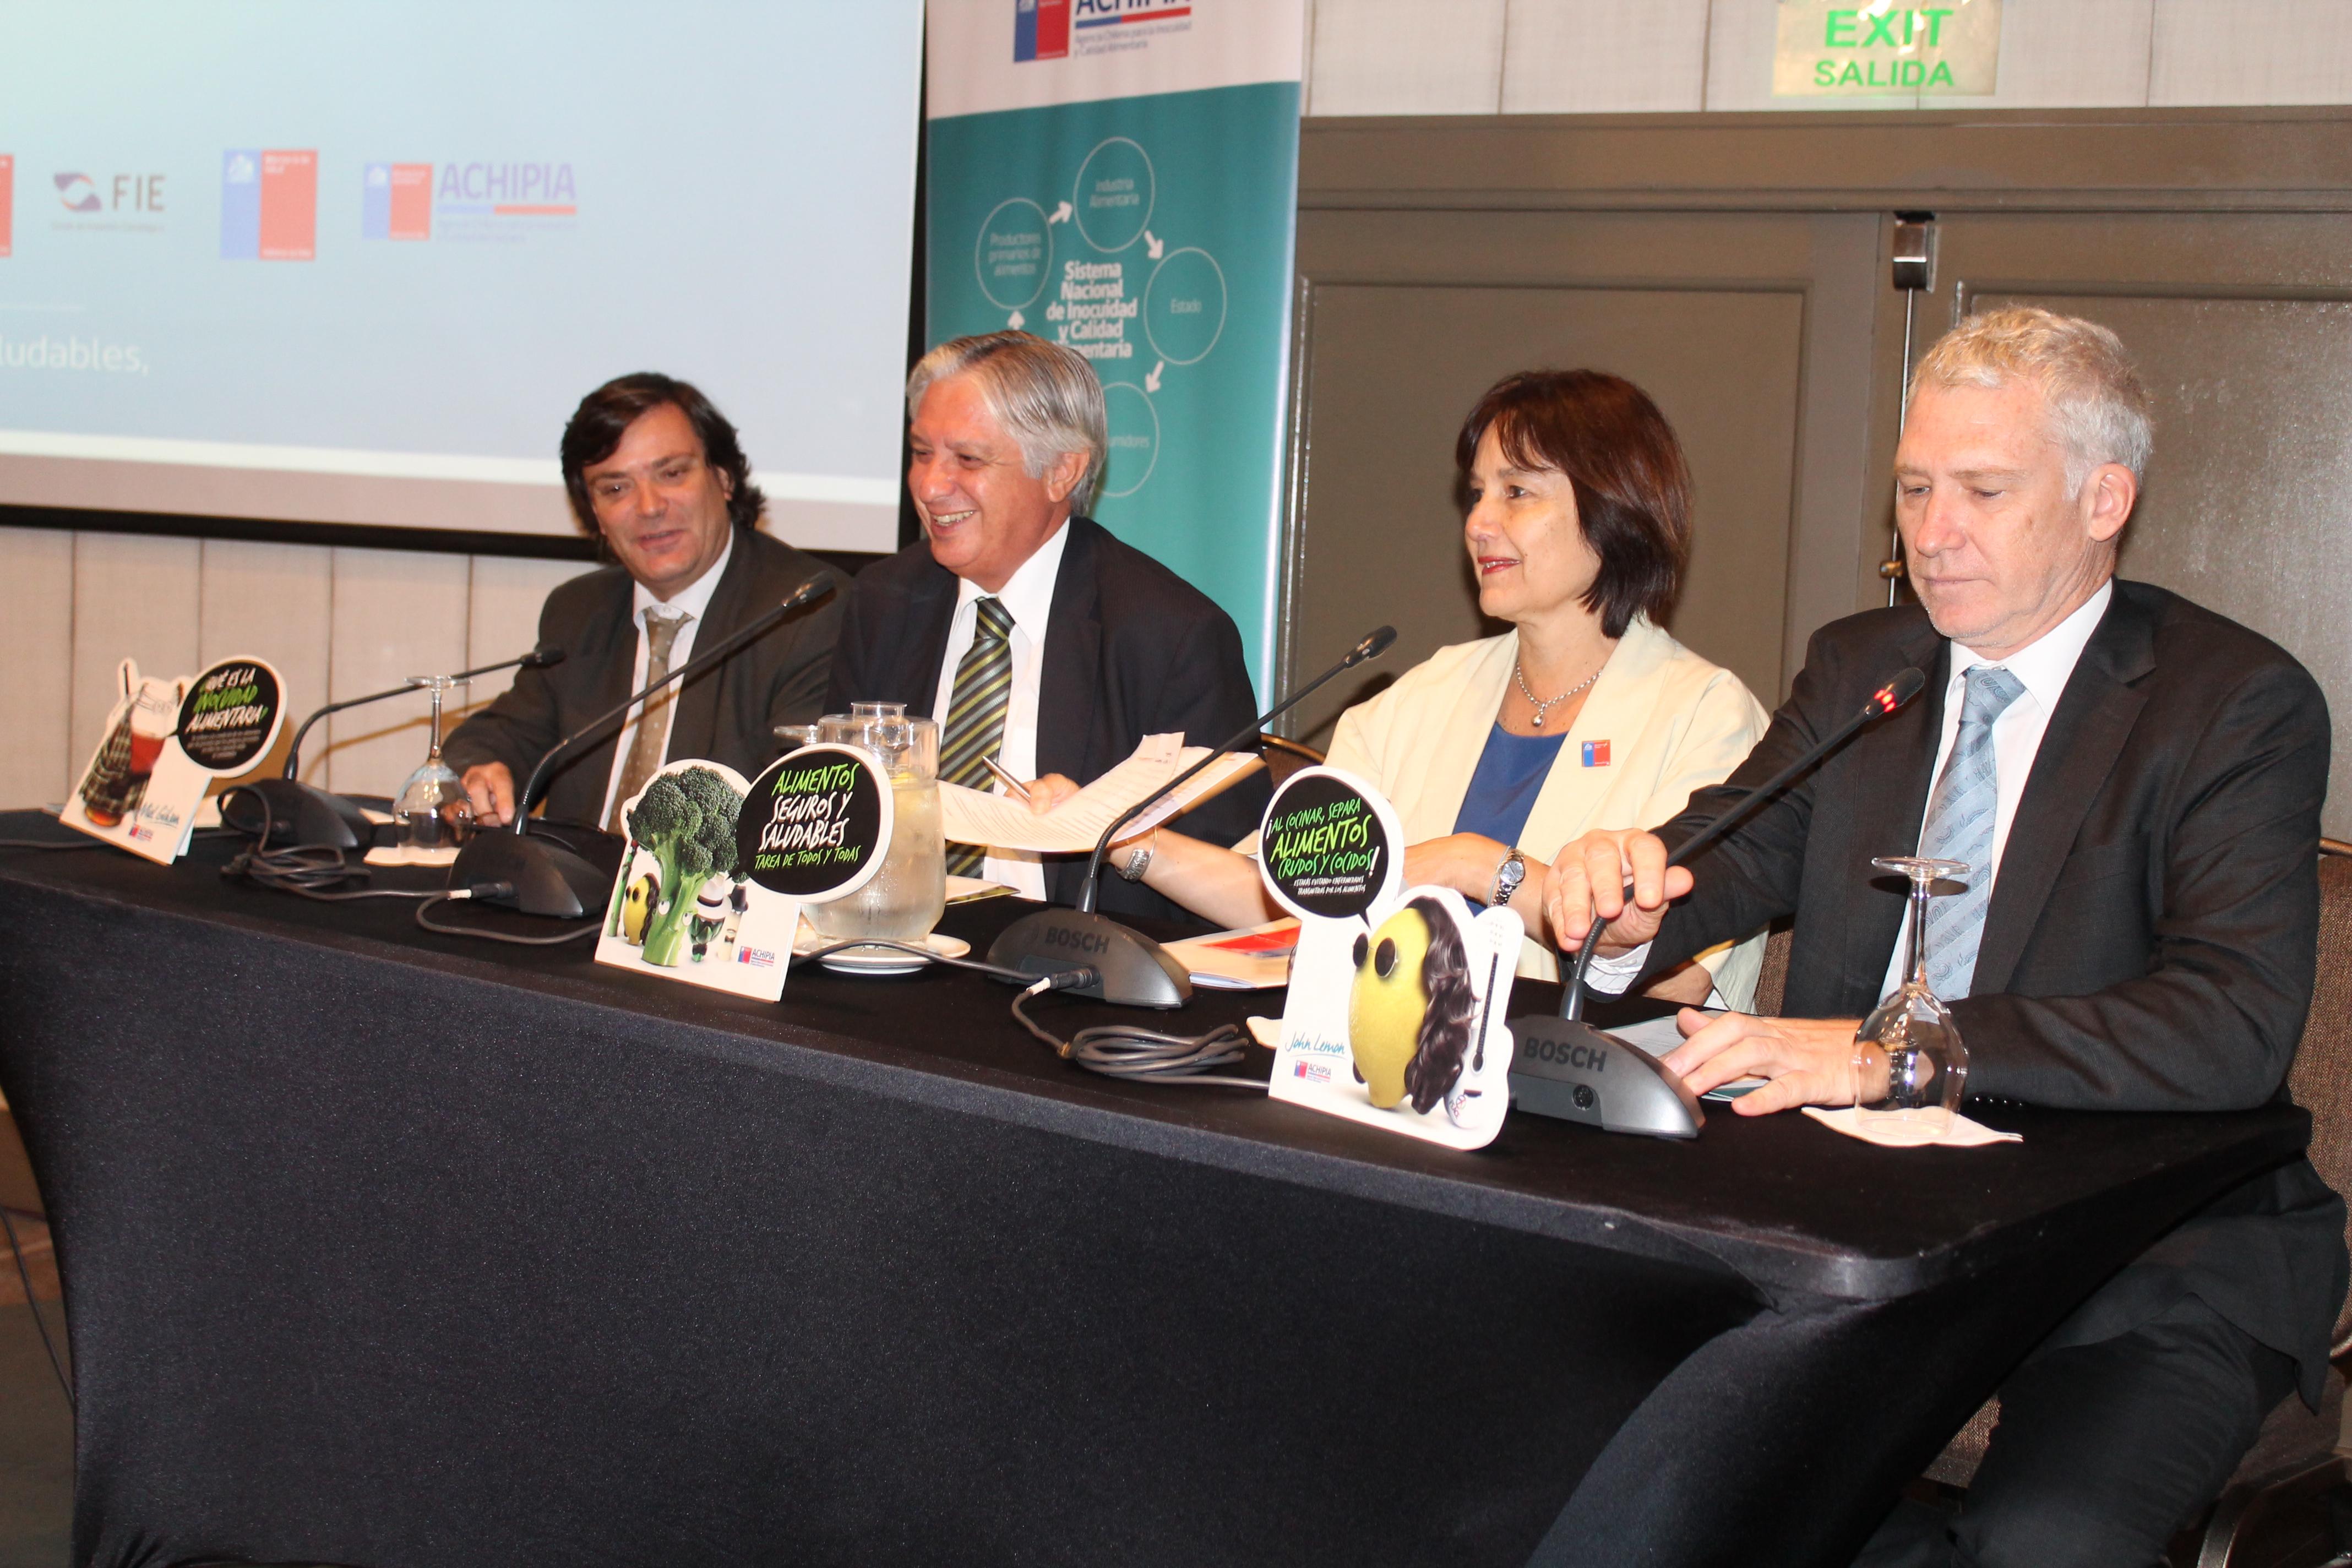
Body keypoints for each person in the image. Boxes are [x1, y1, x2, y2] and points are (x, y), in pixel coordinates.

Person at [1545, 308, 2345, 1564]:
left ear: (2103, 498)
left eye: (1981, 488)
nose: (1932, 529)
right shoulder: (1866, 665)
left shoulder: (2228, 701)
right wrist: (1621, 905)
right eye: (1914, 488)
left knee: (2042, 1538)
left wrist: (1895, 1051)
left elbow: (2230, 1024)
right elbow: (1721, 857)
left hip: (2140, 1252)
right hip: (1850, 1222)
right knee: (1596, 1457)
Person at [1074, 369, 1770, 995]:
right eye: (1477, 495)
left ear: (1616, 509)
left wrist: (1475, 865)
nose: (1478, 523)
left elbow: (1673, 983)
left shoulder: (1706, 714)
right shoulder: (1426, 693)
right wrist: (1127, 839)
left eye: (1517, 492)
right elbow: (1291, 888)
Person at [825, 331, 1265, 925]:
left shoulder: (1170, 637)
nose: (929, 486)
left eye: (967, 459)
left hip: (1067, 980)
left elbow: (1232, 894)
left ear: (1062, 471)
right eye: (922, 452)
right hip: (888, 946)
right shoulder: (883, 603)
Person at [445, 374, 844, 829]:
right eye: (616, 488)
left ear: (723, 477)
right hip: (572, 890)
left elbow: (798, 809)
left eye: (672, 474)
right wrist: (480, 769)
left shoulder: (806, 611)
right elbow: (500, 736)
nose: (649, 507)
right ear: (594, 513)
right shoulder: (579, 611)